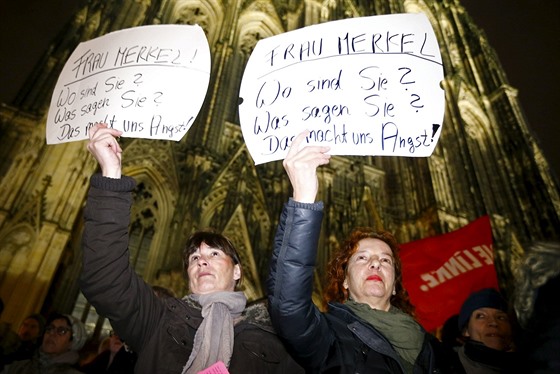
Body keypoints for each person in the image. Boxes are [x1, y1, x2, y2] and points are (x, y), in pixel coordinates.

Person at [80, 123, 304, 374]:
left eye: (215, 254)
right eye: (194, 257)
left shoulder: (274, 341)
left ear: (238, 271)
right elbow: (105, 278)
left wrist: (304, 194)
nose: (202, 261)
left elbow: (295, 285)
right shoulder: (158, 322)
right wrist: (111, 174)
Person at [267, 131, 451, 373]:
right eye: (362, 258)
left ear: (395, 284)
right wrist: (303, 198)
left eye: (385, 260)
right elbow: (288, 305)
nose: (375, 264)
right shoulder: (329, 339)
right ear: (344, 280)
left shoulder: (440, 354)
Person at [455, 287, 519, 373]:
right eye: (481, 316)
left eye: (501, 317)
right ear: (466, 330)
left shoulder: (533, 365)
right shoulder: (449, 366)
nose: (493, 322)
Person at [1, 312, 87, 374]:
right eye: (50, 328)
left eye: (61, 331)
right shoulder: (18, 367)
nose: (52, 333)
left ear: (73, 341)